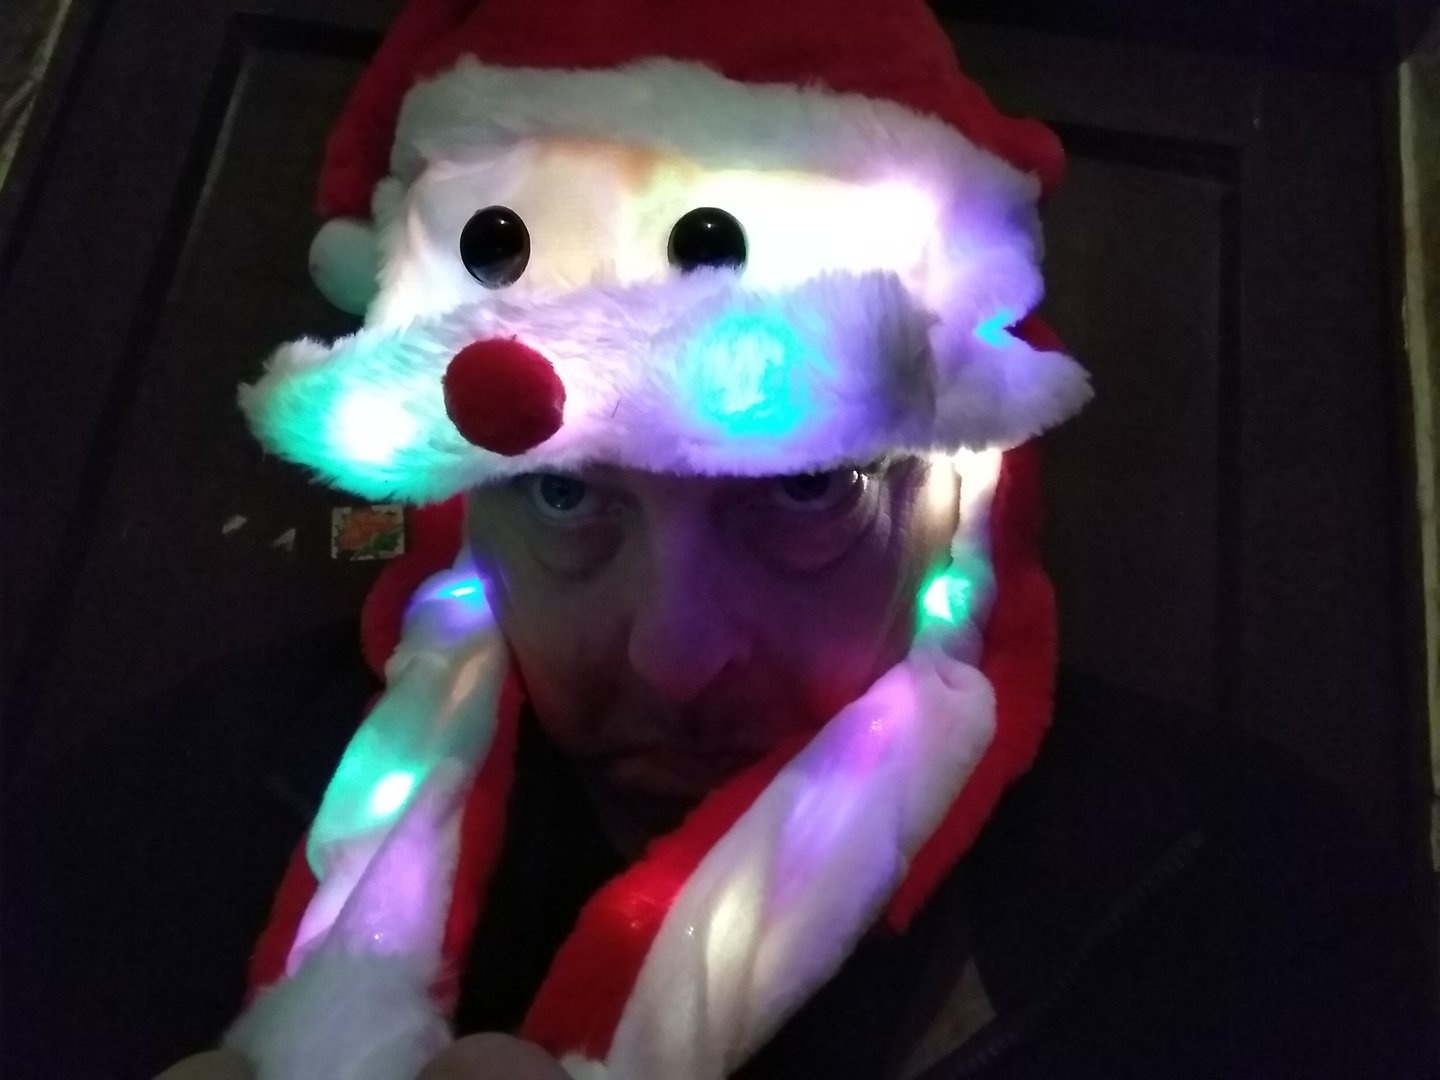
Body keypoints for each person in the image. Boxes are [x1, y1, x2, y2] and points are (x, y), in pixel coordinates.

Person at [6, 0, 1436, 1076]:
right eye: (566, 497)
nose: (675, 654)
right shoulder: (136, 849)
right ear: (463, 495)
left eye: (804, 494)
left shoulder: (1260, 915)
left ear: (962, 484)